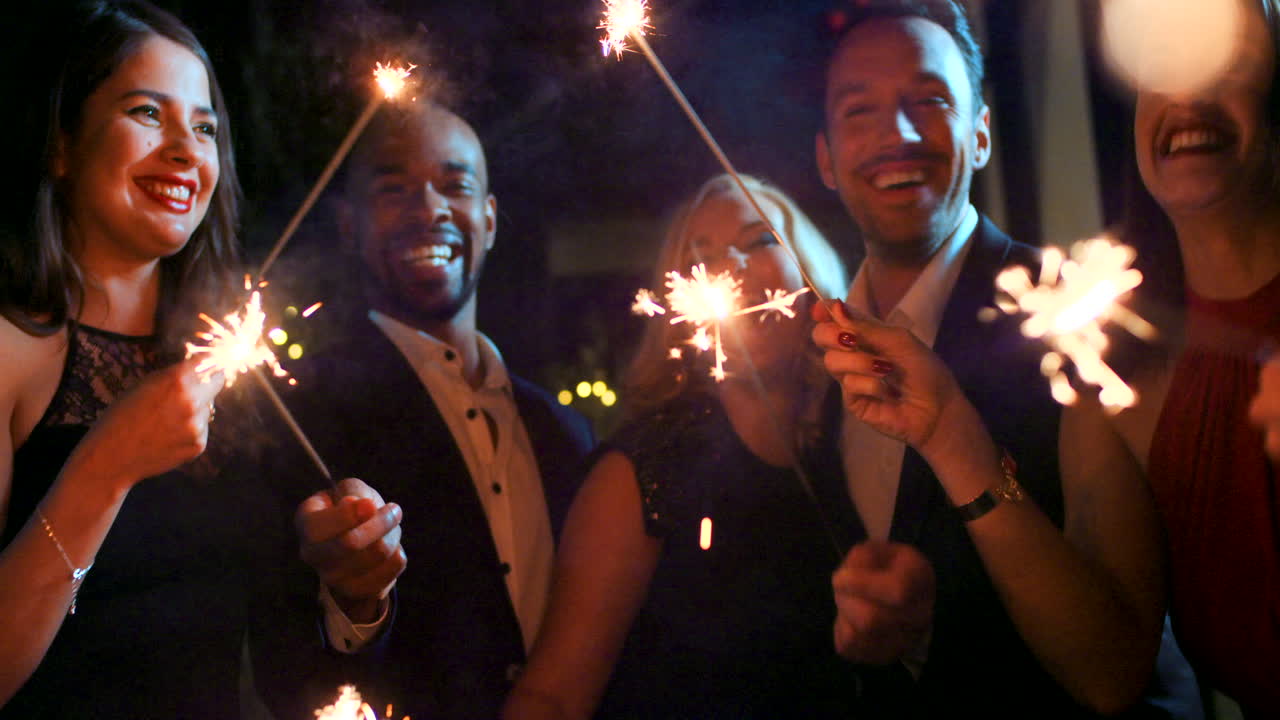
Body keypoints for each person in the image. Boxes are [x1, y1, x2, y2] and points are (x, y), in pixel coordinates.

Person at [809, 1, 1168, 715]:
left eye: (930, 100)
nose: (899, 134)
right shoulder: (813, 357)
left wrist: (953, 434)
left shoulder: (1080, 319)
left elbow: (1116, 673)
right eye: (860, 111)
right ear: (825, 159)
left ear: (980, 136)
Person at [250, 102, 595, 720]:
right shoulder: (298, 422)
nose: (429, 209)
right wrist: (355, 605)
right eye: (394, 189)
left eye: (455, 186)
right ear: (348, 225)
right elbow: (284, 677)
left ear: (488, 221)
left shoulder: (565, 432)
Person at [0, 1, 274, 716]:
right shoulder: (10, 354)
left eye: (205, 126)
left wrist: (347, 583)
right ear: (62, 145)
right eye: (149, 114)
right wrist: (107, 462)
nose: (187, 149)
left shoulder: (230, 363)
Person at [502, 174, 856, 719]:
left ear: (813, 275)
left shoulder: (853, 447)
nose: (730, 267)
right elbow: (552, 698)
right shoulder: (641, 471)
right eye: (701, 255)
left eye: (759, 240)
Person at [1088, 0, 1280, 714]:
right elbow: (1106, 672)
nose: (1189, 92)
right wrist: (953, 438)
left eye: (1227, 62)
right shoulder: (1116, 374)